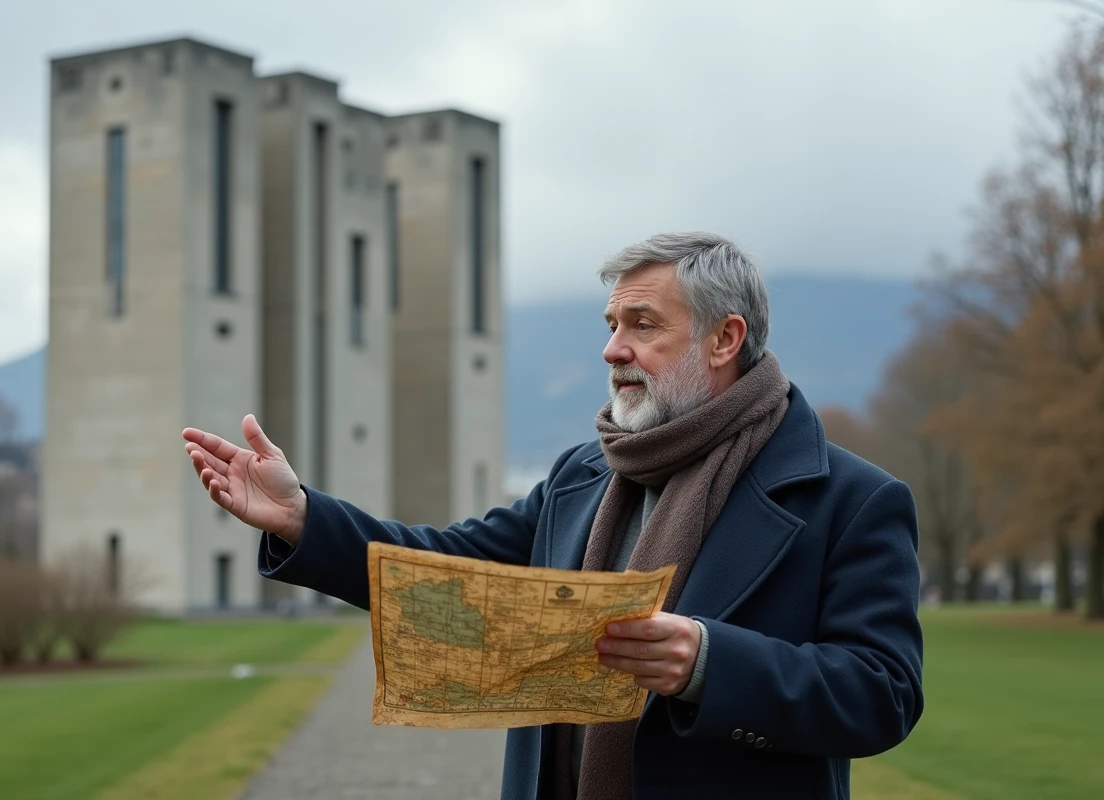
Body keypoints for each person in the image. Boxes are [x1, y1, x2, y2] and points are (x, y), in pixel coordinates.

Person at [183, 232, 924, 800]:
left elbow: (883, 693)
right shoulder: (583, 474)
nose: (612, 349)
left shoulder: (851, 500)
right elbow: (449, 569)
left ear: (724, 339)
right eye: (610, 323)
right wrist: (302, 518)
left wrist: (707, 663)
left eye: (642, 324)